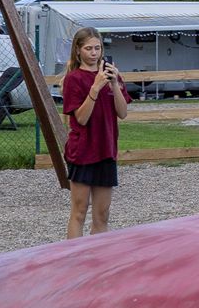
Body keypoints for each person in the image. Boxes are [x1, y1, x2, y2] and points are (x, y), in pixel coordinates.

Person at [62, 27, 131, 239]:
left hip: (106, 150)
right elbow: (81, 118)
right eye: (88, 48)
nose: (94, 53)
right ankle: (74, 255)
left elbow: (123, 113)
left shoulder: (111, 76)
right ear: (78, 50)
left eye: (97, 48)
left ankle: (98, 255)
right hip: (82, 151)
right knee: (80, 211)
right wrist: (95, 87)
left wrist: (114, 84)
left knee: (102, 215)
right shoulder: (74, 79)